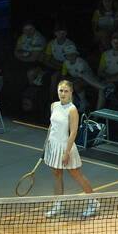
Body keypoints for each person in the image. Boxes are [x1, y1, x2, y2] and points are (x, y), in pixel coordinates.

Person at [43, 80, 99, 218]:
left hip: (65, 146)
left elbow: (73, 132)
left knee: (76, 175)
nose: (63, 93)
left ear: (71, 92)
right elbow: (51, 126)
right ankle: (58, 205)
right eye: (61, 90)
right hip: (53, 145)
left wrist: (66, 152)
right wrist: (46, 143)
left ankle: (93, 202)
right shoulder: (54, 106)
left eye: (66, 91)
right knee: (56, 175)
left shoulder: (72, 109)